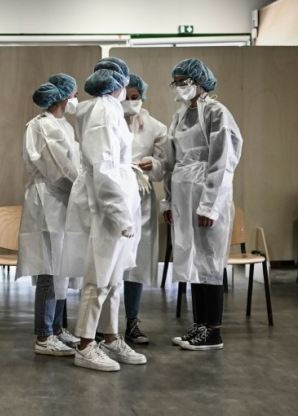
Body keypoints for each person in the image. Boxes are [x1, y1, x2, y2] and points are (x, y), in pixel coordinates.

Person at [62, 58, 147, 372]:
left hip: (116, 203)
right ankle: (86, 345)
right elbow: (104, 168)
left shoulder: (108, 109)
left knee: (114, 278)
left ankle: (110, 337)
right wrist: (120, 215)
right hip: (106, 207)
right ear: (119, 83)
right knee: (98, 277)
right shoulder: (103, 111)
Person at [162, 59, 243, 351]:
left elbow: (222, 163)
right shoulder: (179, 116)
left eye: (184, 82)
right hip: (183, 195)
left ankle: (214, 331)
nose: (179, 87)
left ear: (199, 82)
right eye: (176, 83)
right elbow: (171, 162)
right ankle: (200, 325)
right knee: (192, 261)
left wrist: (210, 206)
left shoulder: (217, 113)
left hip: (206, 195)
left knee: (209, 262)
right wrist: (168, 201)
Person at [16, 74, 81, 356]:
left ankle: (56, 328)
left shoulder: (63, 124)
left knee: (62, 267)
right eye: (75, 94)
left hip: (63, 200)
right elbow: (59, 169)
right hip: (48, 200)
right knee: (49, 268)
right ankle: (44, 336)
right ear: (63, 96)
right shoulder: (43, 126)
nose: (77, 99)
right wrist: (83, 187)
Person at [120, 74, 169, 344]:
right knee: (108, 261)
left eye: (135, 97)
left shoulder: (156, 127)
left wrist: (153, 164)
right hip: (113, 196)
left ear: (142, 97)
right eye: (125, 97)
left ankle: (132, 322)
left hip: (140, 196)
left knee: (135, 263)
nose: (130, 102)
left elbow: (164, 167)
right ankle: (103, 325)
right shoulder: (108, 122)